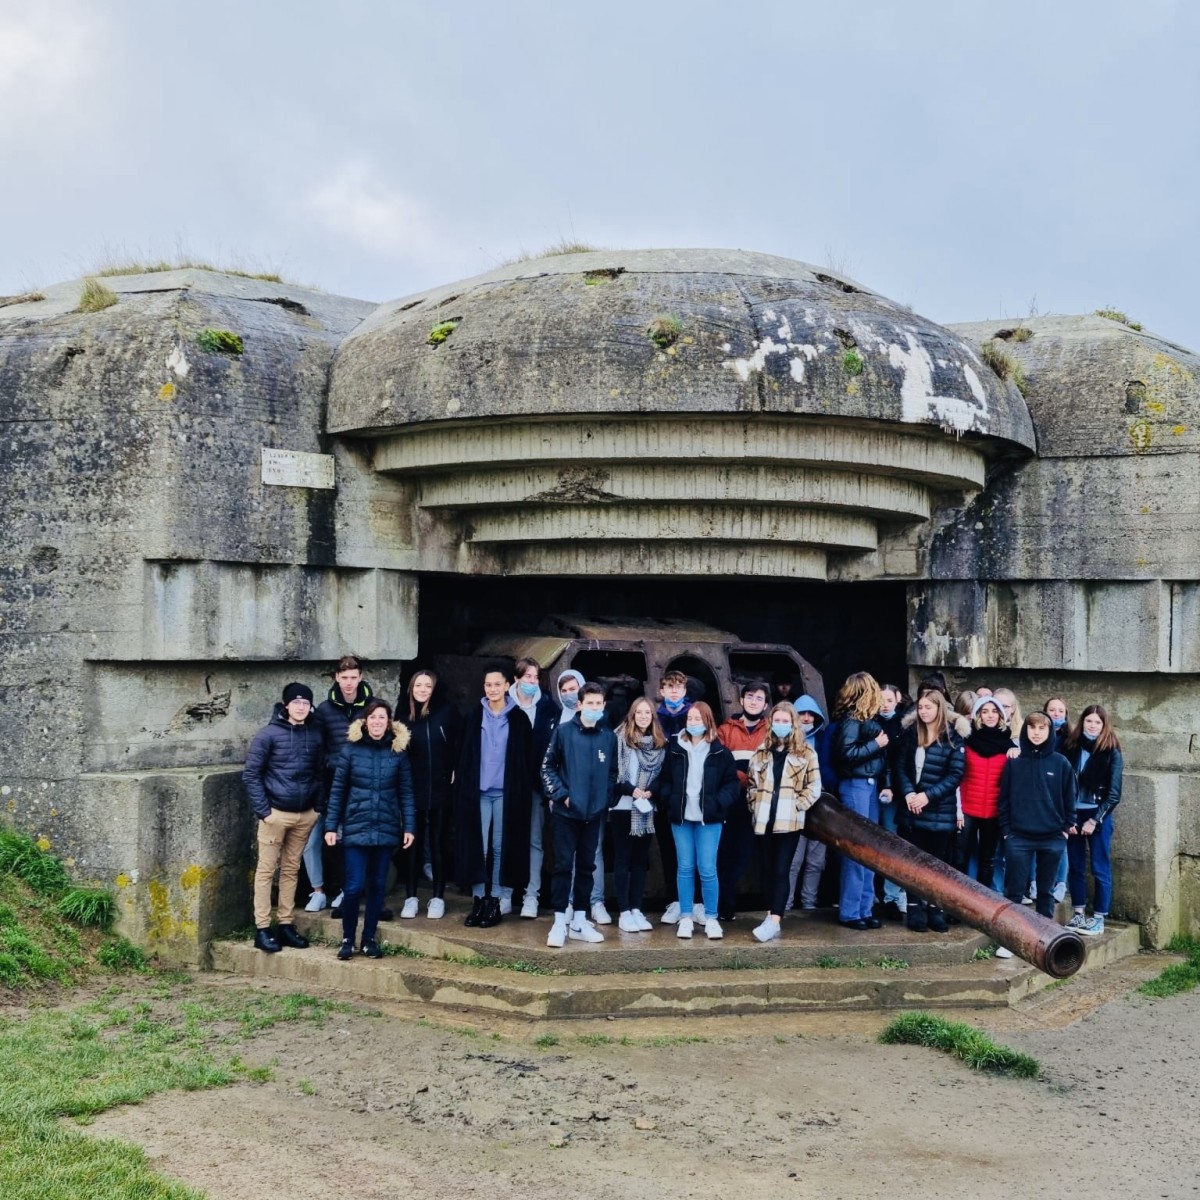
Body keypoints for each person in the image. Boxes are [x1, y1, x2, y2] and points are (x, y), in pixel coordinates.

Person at [324, 699, 416, 959]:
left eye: (382, 718)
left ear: (389, 722)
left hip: (385, 829)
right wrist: (331, 825)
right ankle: (347, 937)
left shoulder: (398, 752)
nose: (377, 722)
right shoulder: (351, 750)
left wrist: (409, 826)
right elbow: (338, 791)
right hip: (356, 827)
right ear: (365, 721)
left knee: (377, 886)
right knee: (353, 887)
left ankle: (368, 939)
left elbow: (406, 793)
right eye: (373, 717)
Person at [242, 682, 325, 953]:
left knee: (291, 870)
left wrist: (317, 808)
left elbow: (321, 772)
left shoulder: (315, 733)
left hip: (304, 814)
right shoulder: (268, 734)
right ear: (286, 705)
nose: (301, 707)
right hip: (275, 814)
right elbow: (251, 774)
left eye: (305, 703)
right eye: (296, 702)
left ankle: (286, 924)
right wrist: (264, 812)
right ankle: (262, 928)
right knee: (266, 871)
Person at [452, 661, 533, 929]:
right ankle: (478, 901)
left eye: (498, 684)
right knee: (478, 845)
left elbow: (525, 759)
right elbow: (463, 754)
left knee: (500, 847)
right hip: (478, 792)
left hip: (506, 794)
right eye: (488, 684)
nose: (493, 689)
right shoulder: (474, 715)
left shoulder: (519, 718)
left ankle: (495, 901)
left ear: (508, 685)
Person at [540, 682, 618, 947]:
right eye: (590, 703)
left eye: (599, 704)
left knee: (587, 867)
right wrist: (563, 796)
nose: (595, 708)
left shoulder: (608, 737)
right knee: (563, 867)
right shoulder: (563, 732)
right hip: (566, 812)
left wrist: (605, 799)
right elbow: (547, 768)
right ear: (580, 704)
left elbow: (612, 773)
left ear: (603, 706)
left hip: (594, 814)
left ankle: (580, 921)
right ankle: (560, 921)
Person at [658, 701, 740, 939]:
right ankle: (686, 917)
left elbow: (732, 784)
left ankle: (711, 917)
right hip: (681, 817)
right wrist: (669, 800)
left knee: (707, 868)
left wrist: (718, 803)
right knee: (684, 867)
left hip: (709, 818)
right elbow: (664, 780)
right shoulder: (674, 748)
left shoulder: (719, 751)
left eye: (698, 719)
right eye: (690, 718)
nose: (693, 723)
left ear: (708, 722)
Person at [746, 701, 822, 942]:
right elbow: (751, 784)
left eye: (785, 722)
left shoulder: (806, 752)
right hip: (765, 819)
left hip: (789, 820)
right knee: (768, 870)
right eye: (777, 721)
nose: (780, 725)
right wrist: (754, 806)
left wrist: (799, 804)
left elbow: (815, 785)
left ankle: (775, 919)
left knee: (781, 869)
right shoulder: (761, 752)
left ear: (793, 724)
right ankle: (771, 915)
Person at [307, 655, 375, 913]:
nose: (348, 683)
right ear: (337, 677)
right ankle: (319, 891)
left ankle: (348, 889)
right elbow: (317, 746)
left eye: (353, 677)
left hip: (359, 785)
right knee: (316, 841)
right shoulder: (324, 709)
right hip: (329, 783)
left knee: (350, 841)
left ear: (361, 677)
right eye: (344, 677)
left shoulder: (372, 707)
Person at [896, 690, 967, 933]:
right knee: (913, 863)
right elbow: (901, 767)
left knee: (937, 864)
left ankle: (935, 909)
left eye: (928, 707)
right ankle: (915, 909)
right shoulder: (910, 734)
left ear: (939, 708)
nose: (923, 711)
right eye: (921, 707)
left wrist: (927, 796)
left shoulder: (953, 737)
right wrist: (909, 794)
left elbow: (955, 775)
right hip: (912, 809)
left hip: (939, 811)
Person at [998, 712, 1076, 922]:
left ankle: (1043, 937)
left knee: (1045, 892)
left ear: (1049, 732)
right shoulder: (1014, 762)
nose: (1037, 733)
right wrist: (1007, 831)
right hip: (1019, 837)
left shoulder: (1061, 763)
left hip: (1052, 837)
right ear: (1026, 730)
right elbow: (1003, 799)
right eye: (1032, 728)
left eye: (1042, 728)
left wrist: (1066, 828)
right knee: (1014, 891)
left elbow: (1070, 798)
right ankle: (1011, 936)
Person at [396, 670, 459, 919]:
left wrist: (455, 768)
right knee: (412, 843)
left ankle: (437, 897)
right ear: (411, 688)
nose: (422, 690)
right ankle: (411, 897)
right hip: (413, 789)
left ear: (435, 689)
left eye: (427, 686)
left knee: (438, 844)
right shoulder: (403, 715)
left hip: (441, 787)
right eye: (418, 685)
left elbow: (459, 742)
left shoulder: (447, 712)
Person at [831, 672, 888, 930]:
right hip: (855, 786)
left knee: (869, 849)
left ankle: (864, 908)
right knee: (857, 849)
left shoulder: (863, 719)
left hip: (868, 785)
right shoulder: (851, 720)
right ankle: (851, 911)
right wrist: (876, 745)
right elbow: (845, 755)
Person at [505, 658, 561, 920]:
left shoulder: (548, 707)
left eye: (535, 677)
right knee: (506, 839)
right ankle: (504, 893)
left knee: (535, 841)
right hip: (508, 784)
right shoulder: (503, 705)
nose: (531, 682)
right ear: (516, 678)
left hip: (536, 784)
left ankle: (531, 895)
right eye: (527, 677)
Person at [1063, 705, 1123, 937]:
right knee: (1075, 865)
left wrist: (1095, 821)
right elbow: (1063, 783)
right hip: (1073, 814)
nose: (1092, 726)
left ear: (1104, 725)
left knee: (1100, 867)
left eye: (1097, 722)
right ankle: (1079, 913)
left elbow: (1114, 794)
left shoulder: (1111, 751)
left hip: (1098, 814)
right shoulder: (1071, 746)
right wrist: (1068, 817)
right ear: (1082, 722)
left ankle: (1098, 917)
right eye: (1089, 721)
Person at [715, 681, 771, 921]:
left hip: (756, 802)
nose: (753, 701)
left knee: (744, 854)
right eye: (750, 696)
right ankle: (723, 906)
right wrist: (743, 777)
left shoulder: (770, 729)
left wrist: (751, 779)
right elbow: (719, 762)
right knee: (723, 853)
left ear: (766, 704)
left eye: (759, 698)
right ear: (741, 700)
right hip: (730, 800)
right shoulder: (726, 729)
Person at [611, 697, 667, 932]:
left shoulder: (659, 743)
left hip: (646, 808)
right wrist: (631, 790)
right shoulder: (619, 738)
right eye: (639, 712)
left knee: (639, 862)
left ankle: (636, 908)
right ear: (632, 715)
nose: (643, 716)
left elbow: (663, 776)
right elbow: (613, 773)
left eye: (648, 713)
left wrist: (650, 792)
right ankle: (624, 911)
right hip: (623, 807)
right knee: (623, 860)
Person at [786, 693, 838, 912]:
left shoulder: (824, 739)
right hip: (793, 807)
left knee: (816, 861)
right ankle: (785, 905)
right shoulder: (784, 739)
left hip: (818, 807)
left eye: (811, 714)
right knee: (793, 861)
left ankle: (809, 904)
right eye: (801, 714)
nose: (806, 718)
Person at [959, 694, 1010, 894]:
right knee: (961, 856)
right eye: (985, 711)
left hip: (993, 810)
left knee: (988, 859)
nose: (990, 715)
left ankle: (982, 901)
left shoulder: (1008, 746)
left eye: (994, 711)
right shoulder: (967, 740)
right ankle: (958, 901)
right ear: (977, 715)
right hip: (967, 808)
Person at [655, 670, 691, 924]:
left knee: (691, 853)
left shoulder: (695, 715)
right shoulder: (655, 718)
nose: (674, 691)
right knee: (669, 849)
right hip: (664, 793)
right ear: (662, 691)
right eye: (669, 686)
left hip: (691, 793)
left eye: (678, 686)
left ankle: (695, 902)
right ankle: (674, 900)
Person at [873, 683, 908, 919]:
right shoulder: (869, 722)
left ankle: (891, 895)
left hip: (892, 792)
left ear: (897, 700)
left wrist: (894, 787)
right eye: (880, 700)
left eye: (888, 700)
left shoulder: (903, 726)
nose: (884, 704)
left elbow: (901, 762)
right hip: (868, 787)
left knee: (890, 843)